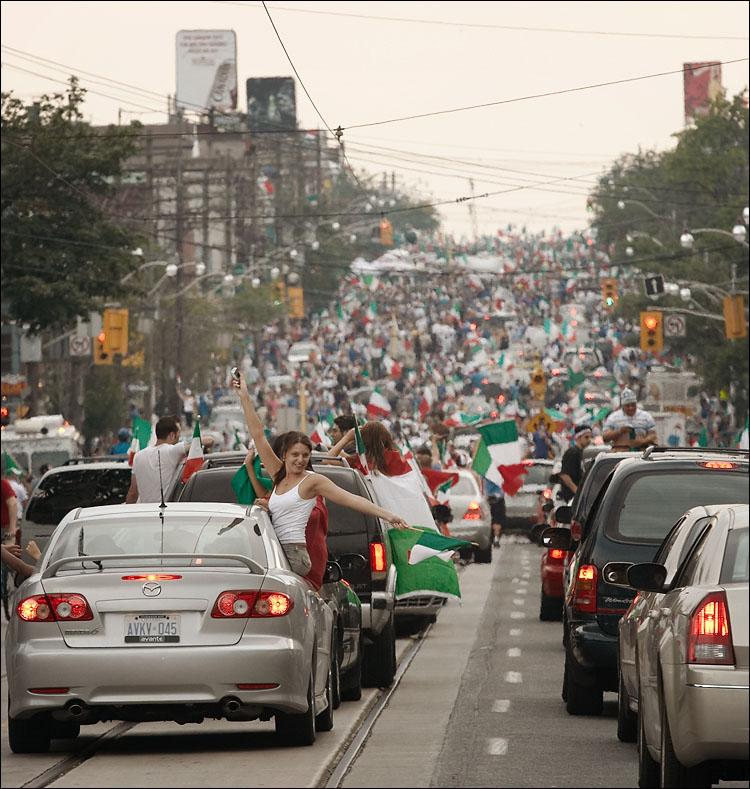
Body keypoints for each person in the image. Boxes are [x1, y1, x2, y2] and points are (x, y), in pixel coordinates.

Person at [233, 374, 409, 577]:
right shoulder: (278, 474)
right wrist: (244, 396)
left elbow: (351, 499)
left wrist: (389, 515)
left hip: (294, 557)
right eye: (295, 455)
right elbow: (258, 434)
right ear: (284, 456)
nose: (300, 460)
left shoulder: (312, 481)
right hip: (271, 550)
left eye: (305, 455)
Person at [125, 415, 214, 504]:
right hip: (165, 512)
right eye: (178, 434)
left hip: (144, 513)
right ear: (172, 435)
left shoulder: (138, 456)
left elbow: (133, 492)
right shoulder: (172, 451)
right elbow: (209, 440)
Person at [558, 424, 593, 503]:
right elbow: (564, 475)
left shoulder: (583, 453)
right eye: (586, 437)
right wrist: (577, 492)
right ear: (578, 438)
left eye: (590, 437)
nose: (589, 440)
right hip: (571, 498)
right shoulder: (573, 453)